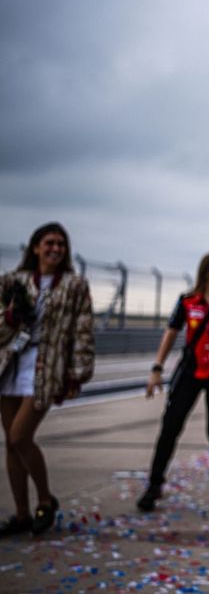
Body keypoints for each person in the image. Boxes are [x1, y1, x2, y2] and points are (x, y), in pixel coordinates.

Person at [137, 251, 209, 513]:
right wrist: (157, 368)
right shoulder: (188, 301)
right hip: (190, 371)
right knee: (170, 427)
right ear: (207, 271)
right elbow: (171, 332)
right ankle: (154, 486)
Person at [0, 222, 94, 537]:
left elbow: (82, 332)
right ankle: (22, 514)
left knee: (19, 436)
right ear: (36, 247)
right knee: (11, 446)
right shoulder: (13, 281)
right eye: (49, 243)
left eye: (60, 244)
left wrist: (76, 373)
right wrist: (10, 316)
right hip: (10, 363)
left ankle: (45, 499)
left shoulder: (74, 285)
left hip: (47, 366)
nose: (55, 249)